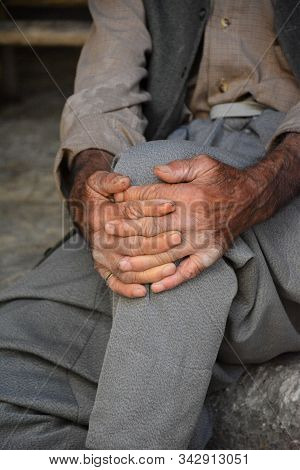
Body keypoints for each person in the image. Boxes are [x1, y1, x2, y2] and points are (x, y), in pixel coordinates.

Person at [0, 0, 300, 449]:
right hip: (173, 151)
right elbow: (106, 81)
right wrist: (92, 181)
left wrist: (257, 190)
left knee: (156, 177)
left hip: (288, 174)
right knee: (13, 368)